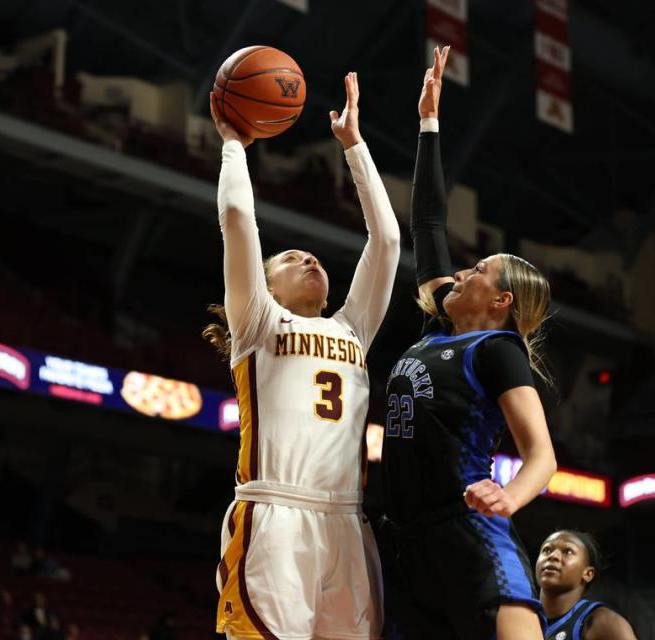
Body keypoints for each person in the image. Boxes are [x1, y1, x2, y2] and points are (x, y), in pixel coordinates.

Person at [206, 71, 400, 640]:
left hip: (346, 519)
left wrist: (355, 147)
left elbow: (386, 242)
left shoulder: (353, 327)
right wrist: (234, 146)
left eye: (315, 257)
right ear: (264, 284)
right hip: (275, 514)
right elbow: (239, 220)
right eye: (291, 257)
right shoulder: (258, 322)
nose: (309, 260)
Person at [379, 46, 558, 640]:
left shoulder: (495, 351)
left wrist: (508, 497)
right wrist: (429, 123)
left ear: (500, 301)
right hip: (405, 541)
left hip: (466, 531)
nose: (460, 274)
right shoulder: (437, 327)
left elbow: (542, 456)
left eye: (477, 271)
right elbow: (428, 224)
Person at [535, 531, 636, 640]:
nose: (553, 556)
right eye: (547, 550)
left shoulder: (603, 622)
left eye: (567, 551)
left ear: (588, 574)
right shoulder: (521, 616)